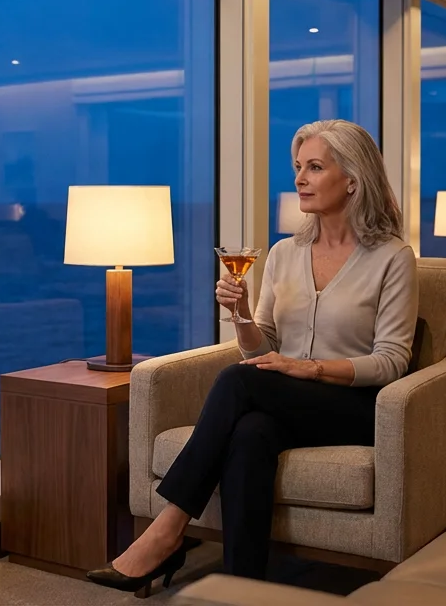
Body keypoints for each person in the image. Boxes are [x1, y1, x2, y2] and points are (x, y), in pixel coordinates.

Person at [87, 119, 417, 589]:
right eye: (298, 166)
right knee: (250, 431)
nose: (299, 178)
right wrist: (241, 314)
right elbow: (263, 345)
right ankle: (243, 589)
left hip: (357, 405)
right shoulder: (284, 253)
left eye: (315, 167)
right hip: (287, 399)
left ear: (352, 180)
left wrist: (310, 368)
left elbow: (391, 361)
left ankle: (167, 529)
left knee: (238, 380)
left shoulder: (392, 257)